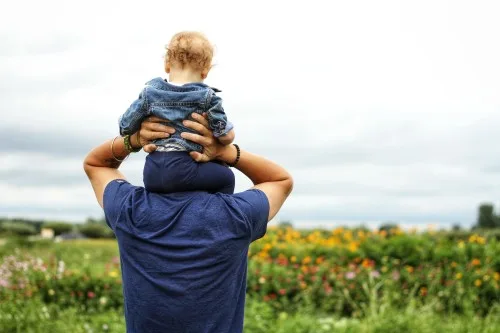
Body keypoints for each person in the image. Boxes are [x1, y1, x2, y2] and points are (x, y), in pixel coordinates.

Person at [83, 113, 293, 333]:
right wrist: (226, 152)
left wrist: (134, 141)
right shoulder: (235, 215)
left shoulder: (131, 210)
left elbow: (96, 164)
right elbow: (279, 180)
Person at [119, 31, 236, 194]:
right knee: (226, 177)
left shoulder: (149, 94)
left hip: (152, 172)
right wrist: (226, 137)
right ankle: (218, 215)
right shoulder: (208, 97)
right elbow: (225, 136)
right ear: (205, 71)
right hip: (185, 169)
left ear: (166, 65)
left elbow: (125, 127)